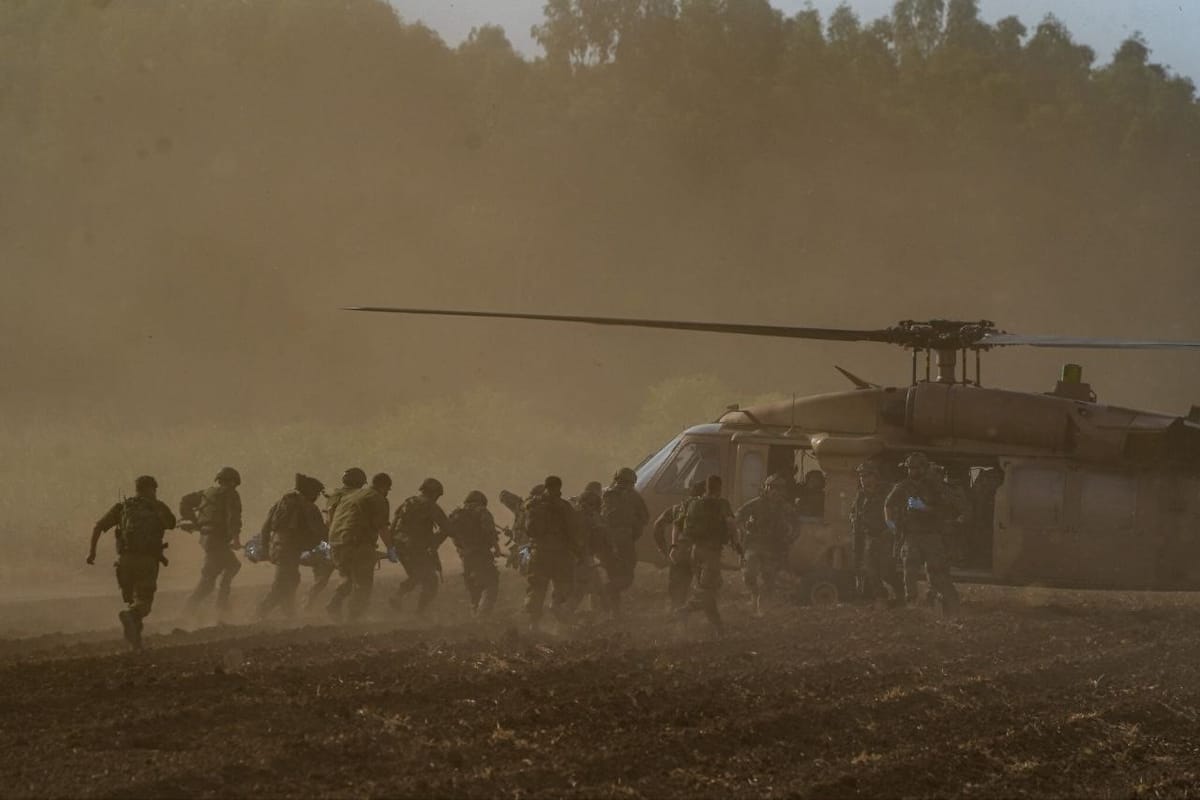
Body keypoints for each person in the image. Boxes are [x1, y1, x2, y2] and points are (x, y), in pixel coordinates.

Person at [87, 475, 177, 650]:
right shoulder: (158, 506)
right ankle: (131, 618)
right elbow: (171, 524)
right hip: (147, 561)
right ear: (152, 489)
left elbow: (98, 526)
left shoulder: (123, 507)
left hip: (125, 562)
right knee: (143, 604)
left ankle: (135, 643)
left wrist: (92, 553)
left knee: (133, 602)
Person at [885, 453, 968, 617]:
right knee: (909, 570)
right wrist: (890, 522)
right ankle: (911, 603)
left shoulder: (935, 487)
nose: (912, 471)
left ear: (924, 468)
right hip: (911, 535)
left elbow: (945, 510)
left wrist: (925, 508)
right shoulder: (903, 486)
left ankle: (935, 601)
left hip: (931, 535)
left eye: (916, 468)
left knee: (936, 570)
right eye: (910, 468)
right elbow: (888, 504)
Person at [675, 474, 740, 637]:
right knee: (707, 592)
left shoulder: (692, 503)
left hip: (695, 552)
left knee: (708, 590)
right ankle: (684, 610)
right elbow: (731, 523)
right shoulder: (721, 503)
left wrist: (674, 546)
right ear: (719, 488)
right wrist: (736, 543)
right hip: (712, 552)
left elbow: (679, 526)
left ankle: (719, 629)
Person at [256, 474, 327, 620]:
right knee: (281, 584)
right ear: (310, 491)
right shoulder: (308, 506)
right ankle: (259, 613)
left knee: (291, 579)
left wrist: (264, 547)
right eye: (316, 493)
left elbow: (265, 527)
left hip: (277, 547)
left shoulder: (281, 503)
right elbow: (319, 531)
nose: (317, 497)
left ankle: (289, 613)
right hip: (290, 549)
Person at [327, 472, 393, 622]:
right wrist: (391, 549)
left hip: (336, 543)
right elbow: (382, 527)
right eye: (388, 489)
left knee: (346, 578)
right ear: (383, 487)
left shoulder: (351, 495)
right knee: (363, 584)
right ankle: (353, 619)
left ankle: (333, 604)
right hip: (357, 544)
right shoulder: (377, 498)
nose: (387, 493)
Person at [183, 466, 243, 623]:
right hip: (217, 540)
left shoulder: (207, 493)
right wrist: (236, 539)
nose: (234, 486)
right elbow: (233, 517)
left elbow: (185, 501)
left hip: (208, 539)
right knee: (214, 576)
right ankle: (216, 608)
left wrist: (195, 522)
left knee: (224, 570)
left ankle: (219, 606)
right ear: (231, 482)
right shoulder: (230, 494)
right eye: (234, 483)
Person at [304, 467, 367, 610]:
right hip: (346, 543)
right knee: (349, 578)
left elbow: (329, 520)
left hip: (330, 541)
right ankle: (334, 604)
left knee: (321, 579)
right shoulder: (359, 498)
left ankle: (307, 605)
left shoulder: (335, 496)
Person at [523, 475, 580, 632]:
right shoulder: (564, 506)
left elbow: (528, 529)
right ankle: (557, 612)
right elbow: (573, 530)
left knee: (537, 588)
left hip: (539, 553)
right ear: (559, 487)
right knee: (562, 585)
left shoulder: (533, 505)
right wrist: (577, 550)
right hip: (560, 554)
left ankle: (533, 624)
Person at [736, 474, 794, 617]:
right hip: (755, 544)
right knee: (749, 573)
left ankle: (762, 607)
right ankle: (754, 595)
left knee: (769, 579)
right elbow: (738, 515)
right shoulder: (756, 504)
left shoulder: (786, 508)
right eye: (772, 487)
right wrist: (743, 531)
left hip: (773, 548)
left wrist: (789, 538)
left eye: (779, 488)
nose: (776, 491)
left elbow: (797, 525)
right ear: (766, 488)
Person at [390, 478, 450, 615]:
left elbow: (393, 525)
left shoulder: (407, 502)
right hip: (415, 547)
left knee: (417, 575)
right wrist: (434, 544)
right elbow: (447, 528)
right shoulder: (430, 506)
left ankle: (398, 596)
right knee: (430, 581)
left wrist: (391, 546)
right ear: (434, 493)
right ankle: (419, 612)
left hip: (400, 546)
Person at [850, 462, 903, 605]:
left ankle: (902, 596)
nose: (864, 479)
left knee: (886, 571)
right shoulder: (861, 496)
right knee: (870, 571)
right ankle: (881, 598)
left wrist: (894, 530)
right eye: (861, 476)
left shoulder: (889, 491)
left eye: (867, 476)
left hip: (887, 536)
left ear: (875, 476)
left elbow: (902, 509)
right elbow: (856, 517)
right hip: (870, 537)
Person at [599, 467, 648, 617]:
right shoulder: (633, 496)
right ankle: (605, 593)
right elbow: (645, 517)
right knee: (626, 577)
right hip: (624, 541)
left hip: (606, 542)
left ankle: (614, 612)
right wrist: (634, 531)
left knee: (614, 575)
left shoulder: (606, 494)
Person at [652, 481, 705, 613]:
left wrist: (664, 549)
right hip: (702, 552)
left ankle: (676, 620)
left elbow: (658, 526)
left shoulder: (678, 508)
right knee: (705, 589)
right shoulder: (711, 509)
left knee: (677, 591)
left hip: (681, 552)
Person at [446, 490, 501, 617]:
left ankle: (474, 616)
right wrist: (496, 547)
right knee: (491, 584)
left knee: (474, 590)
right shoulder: (482, 511)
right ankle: (482, 617)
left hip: (466, 557)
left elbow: (452, 534)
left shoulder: (457, 514)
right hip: (481, 556)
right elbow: (489, 531)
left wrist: (463, 549)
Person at [567, 486, 608, 615]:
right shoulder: (585, 517)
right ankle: (565, 614)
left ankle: (605, 613)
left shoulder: (574, 514)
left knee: (597, 587)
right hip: (581, 558)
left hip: (579, 557)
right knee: (581, 588)